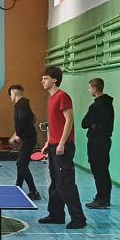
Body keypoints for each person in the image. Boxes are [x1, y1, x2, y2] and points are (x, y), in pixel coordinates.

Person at [38, 66, 86, 229]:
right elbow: (54, 124)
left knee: (65, 183)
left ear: (54, 80)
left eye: (45, 78)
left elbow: (69, 120)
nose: (42, 81)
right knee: (55, 183)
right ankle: (56, 215)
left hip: (63, 147)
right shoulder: (51, 98)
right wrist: (49, 142)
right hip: (54, 145)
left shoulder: (62, 96)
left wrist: (62, 143)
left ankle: (79, 219)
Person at [81, 77, 114, 209]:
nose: (89, 90)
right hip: (105, 140)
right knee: (103, 169)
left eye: (90, 88)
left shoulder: (96, 106)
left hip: (96, 142)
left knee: (98, 170)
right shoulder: (108, 104)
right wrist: (93, 124)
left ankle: (101, 199)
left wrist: (92, 124)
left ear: (95, 88)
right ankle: (105, 198)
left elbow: (84, 123)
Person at [7, 84, 41, 200]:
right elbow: (32, 119)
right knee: (22, 164)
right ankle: (18, 187)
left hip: (28, 139)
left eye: (10, 95)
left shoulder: (20, 105)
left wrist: (18, 135)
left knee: (21, 164)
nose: (11, 97)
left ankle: (34, 192)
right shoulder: (24, 104)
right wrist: (16, 134)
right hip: (29, 137)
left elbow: (23, 119)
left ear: (14, 93)